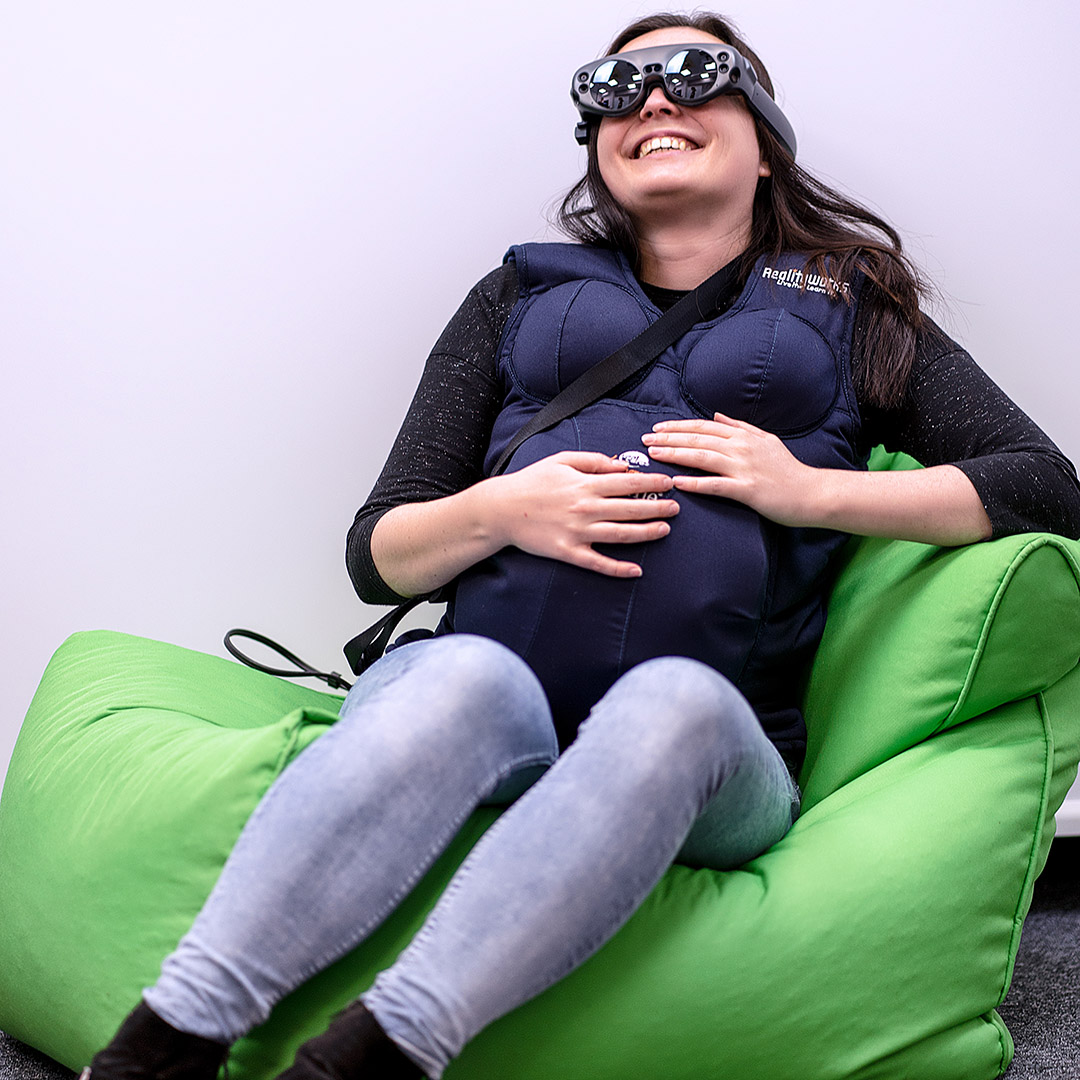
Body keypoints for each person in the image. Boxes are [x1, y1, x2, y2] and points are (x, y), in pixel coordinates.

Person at [84, 11, 1080, 1080]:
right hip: (491, 718)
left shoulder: (854, 304)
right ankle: (163, 1044)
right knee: (457, 672)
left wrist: (808, 492)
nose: (654, 99)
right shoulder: (515, 297)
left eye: (696, 75)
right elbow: (378, 552)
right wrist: (502, 512)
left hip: (709, 754)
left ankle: (371, 1058)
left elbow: (1045, 489)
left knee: (672, 702)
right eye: (618, 84)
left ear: (766, 132)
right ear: (596, 139)